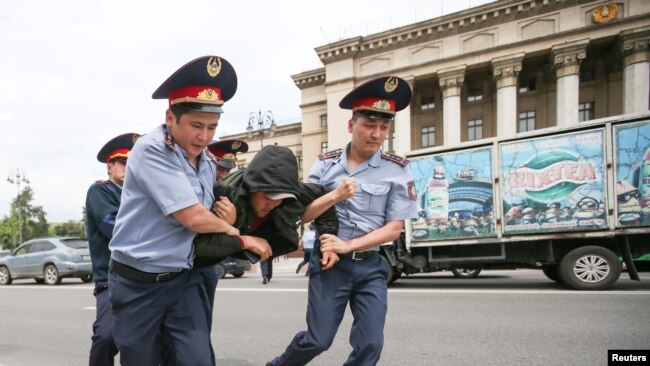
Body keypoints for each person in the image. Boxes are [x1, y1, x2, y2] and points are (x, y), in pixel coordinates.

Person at [108, 55, 272, 366]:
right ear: (171, 118)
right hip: (137, 283)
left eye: (212, 127)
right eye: (197, 125)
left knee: (197, 359)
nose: (205, 137)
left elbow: (211, 208)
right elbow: (192, 216)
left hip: (183, 279)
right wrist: (238, 235)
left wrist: (232, 216)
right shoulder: (151, 149)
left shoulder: (207, 160)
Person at [267, 76, 419, 366]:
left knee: (370, 342)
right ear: (352, 126)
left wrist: (347, 244)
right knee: (318, 339)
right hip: (328, 264)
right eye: (369, 125)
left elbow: (393, 229)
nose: (376, 134)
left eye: (383, 127)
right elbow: (304, 214)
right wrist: (335, 195)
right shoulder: (326, 165)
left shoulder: (396, 170)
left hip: (371, 265)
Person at [192, 144, 357, 278]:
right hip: (194, 265)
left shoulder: (292, 191)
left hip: (219, 262)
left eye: (280, 197)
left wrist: (328, 241)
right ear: (252, 189)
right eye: (267, 196)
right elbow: (198, 245)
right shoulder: (224, 196)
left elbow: (323, 195)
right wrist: (241, 237)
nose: (272, 203)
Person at [85, 132, 138, 366]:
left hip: (142, 277)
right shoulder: (101, 191)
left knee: (146, 340)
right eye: (124, 162)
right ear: (110, 166)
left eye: (134, 163)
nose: (130, 168)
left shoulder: (140, 193)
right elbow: (113, 228)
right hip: (111, 278)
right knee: (107, 336)